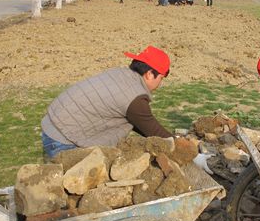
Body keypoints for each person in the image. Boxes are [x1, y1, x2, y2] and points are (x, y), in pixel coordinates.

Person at [40, 46, 212, 170]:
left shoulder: (121, 74)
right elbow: (153, 129)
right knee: (78, 187)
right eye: (161, 77)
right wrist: (194, 156)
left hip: (53, 124)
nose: (161, 83)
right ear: (150, 74)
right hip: (63, 138)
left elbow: (141, 123)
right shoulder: (135, 99)